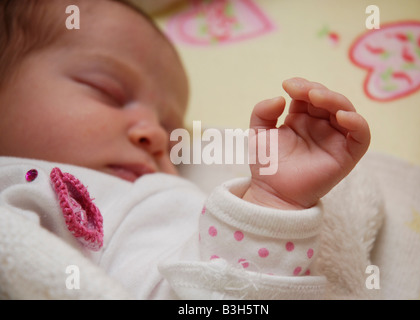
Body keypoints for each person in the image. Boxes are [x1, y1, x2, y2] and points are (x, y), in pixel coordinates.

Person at [0, 0, 374, 299]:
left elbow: (214, 293)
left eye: (170, 128)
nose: (158, 137)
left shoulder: (143, 201)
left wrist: (274, 201)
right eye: (108, 92)